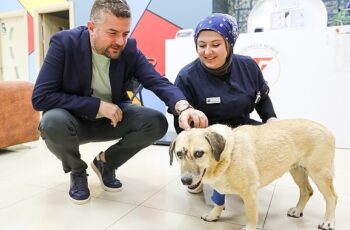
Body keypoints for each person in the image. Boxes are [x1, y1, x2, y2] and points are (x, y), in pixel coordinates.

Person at [32, 0, 208, 205]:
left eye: (125, 34)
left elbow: (156, 80)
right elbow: (41, 97)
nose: (120, 41)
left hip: (113, 119)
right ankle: (77, 171)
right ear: (91, 28)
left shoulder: (128, 49)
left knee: (156, 122)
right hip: (73, 121)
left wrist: (183, 107)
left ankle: (106, 163)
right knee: (51, 121)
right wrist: (96, 105)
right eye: (112, 33)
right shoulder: (64, 43)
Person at [173, 13, 277, 208]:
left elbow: (262, 98)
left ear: (229, 44)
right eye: (201, 45)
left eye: (215, 44)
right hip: (207, 137)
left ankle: (243, 174)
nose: (207, 51)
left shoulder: (248, 66)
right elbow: (180, 121)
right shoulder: (187, 76)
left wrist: (271, 121)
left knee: (271, 139)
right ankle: (205, 174)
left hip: (242, 130)